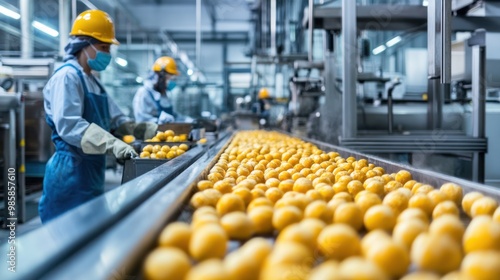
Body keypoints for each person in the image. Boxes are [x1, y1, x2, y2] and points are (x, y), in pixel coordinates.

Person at [39, 10, 157, 223]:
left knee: (87, 236)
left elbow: (116, 119)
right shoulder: (67, 77)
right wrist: (113, 144)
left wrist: (146, 130)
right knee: (64, 240)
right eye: (103, 47)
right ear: (85, 45)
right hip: (70, 172)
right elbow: (70, 126)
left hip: (92, 171)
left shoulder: (93, 81)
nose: (107, 54)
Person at [133, 56, 181, 124]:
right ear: (160, 76)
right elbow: (141, 120)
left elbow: (173, 116)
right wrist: (158, 122)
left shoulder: (164, 94)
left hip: (167, 134)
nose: (170, 81)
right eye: (169, 78)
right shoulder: (143, 93)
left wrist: (189, 120)